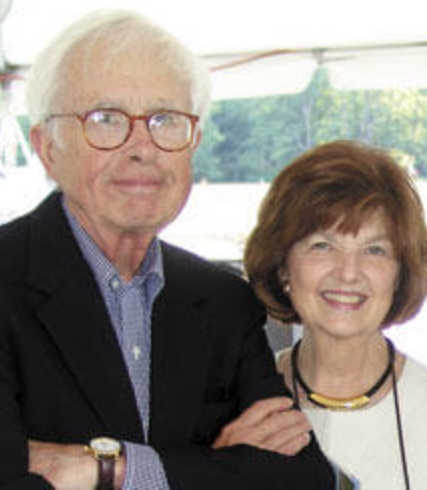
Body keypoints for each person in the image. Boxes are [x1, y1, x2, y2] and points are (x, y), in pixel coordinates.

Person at [0, 9, 339, 490]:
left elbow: (303, 481)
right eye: (106, 119)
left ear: (194, 141)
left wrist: (109, 468)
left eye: (165, 119)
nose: (142, 147)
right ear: (47, 147)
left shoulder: (225, 301)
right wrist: (213, 466)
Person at [244, 140, 427, 489]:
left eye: (374, 249)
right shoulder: (238, 408)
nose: (348, 272)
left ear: (400, 273)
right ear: (283, 265)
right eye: (322, 246)